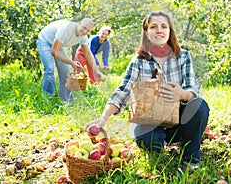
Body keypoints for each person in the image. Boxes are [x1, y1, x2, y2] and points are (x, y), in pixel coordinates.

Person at [85, 11, 209, 168]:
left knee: (199, 105)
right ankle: (158, 153)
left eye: (164, 26)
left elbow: (192, 88)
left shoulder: (183, 56)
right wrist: (103, 119)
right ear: (146, 32)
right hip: (150, 122)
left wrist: (181, 93)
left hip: (177, 121)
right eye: (153, 26)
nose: (159, 30)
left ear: (170, 31)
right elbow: (123, 90)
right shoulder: (139, 60)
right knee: (145, 136)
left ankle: (190, 156)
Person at [36, 18, 102, 102]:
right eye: (84, 27)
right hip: (45, 41)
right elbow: (54, 51)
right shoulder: (66, 29)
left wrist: (96, 71)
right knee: (49, 69)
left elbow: (88, 54)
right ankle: (47, 98)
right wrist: (71, 62)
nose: (85, 31)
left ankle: (67, 101)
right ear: (79, 23)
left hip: (58, 46)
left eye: (88, 30)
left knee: (65, 72)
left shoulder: (83, 37)